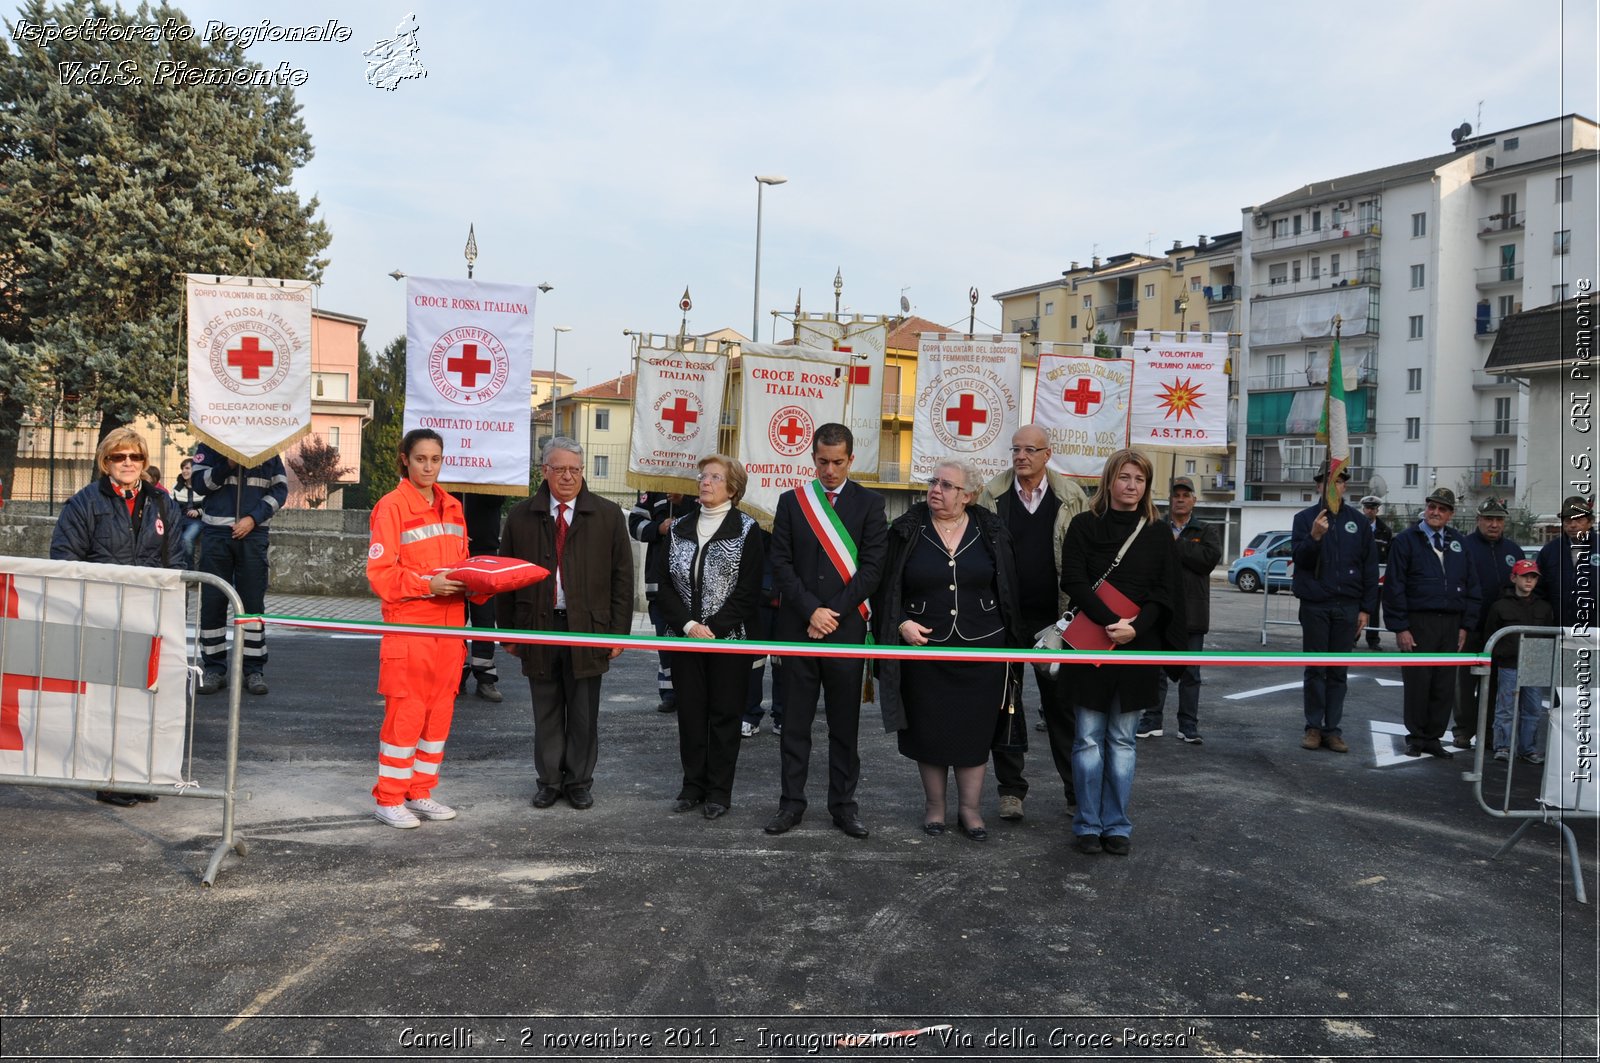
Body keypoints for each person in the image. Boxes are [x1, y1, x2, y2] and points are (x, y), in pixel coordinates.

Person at [877, 460, 1026, 841]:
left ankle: (971, 810)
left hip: (982, 648)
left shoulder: (990, 530)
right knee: (930, 730)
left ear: (968, 495)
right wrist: (899, 624)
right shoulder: (907, 529)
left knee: (975, 731)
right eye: (933, 482)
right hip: (925, 647)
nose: (935, 490)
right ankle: (935, 809)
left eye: (946, 485)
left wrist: (1013, 643)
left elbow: (1008, 588)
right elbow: (885, 587)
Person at [49, 427, 185, 807]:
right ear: (105, 461)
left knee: (144, 698)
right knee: (107, 702)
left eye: (135, 457)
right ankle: (107, 778)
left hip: (150, 616)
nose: (127, 463)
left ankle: (139, 774)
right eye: (118, 457)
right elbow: (64, 558)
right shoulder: (85, 502)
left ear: (144, 462)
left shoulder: (162, 502)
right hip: (102, 616)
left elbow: (176, 559)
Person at [1059, 449, 1186, 856]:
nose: (1132, 486)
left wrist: (1135, 628)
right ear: (1110, 480)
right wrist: (1110, 620)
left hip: (1137, 646)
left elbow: (1165, 593)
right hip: (1092, 644)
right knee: (1088, 739)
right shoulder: (1083, 526)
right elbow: (1074, 581)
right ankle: (1087, 824)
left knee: (1123, 740)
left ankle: (1117, 824)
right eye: (1125, 477)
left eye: (1140, 480)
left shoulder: (1157, 532)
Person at [764, 423, 887, 839]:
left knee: (844, 727)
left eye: (837, 462)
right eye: (822, 461)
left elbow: (872, 570)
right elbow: (779, 564)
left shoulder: (871, 504)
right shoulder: (792, 502)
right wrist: (811, 610)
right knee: (794, 723)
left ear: (851, 459)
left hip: (846, 629)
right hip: (798, 628)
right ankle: (791, 804)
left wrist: (830, 612)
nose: (829, 470)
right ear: (812, 458)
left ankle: (844, 806)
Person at [497, 437, 634, 811]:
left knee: (584, 711)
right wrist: (507, 631)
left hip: (589, 628)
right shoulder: (521, 516)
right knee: (546, 709)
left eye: (575, 469)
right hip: (537, 626)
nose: (569, 477)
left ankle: (579, 782)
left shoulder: (607, 515)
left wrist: (619, 634)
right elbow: (505, 576)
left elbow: (623, 579)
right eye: (560, 469)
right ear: (545, 471)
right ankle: (549, 781)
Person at [974, 423, 1087, 820]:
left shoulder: (1072, 497)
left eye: (1029, 450)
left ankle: (1076, 794)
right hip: (1004, 620)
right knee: (1006, 706)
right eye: (1016, 449)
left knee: (1062, 710)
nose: (1021, 456)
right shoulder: (992, 495)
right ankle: (1011, 791)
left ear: (1047, 454)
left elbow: (1081, 560)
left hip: (1057, 622)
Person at [366, 429, 470, 829]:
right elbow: (381, 576)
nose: (428, 466)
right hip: (410, 630)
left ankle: (420, 790)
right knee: (406, 714)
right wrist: (428, 586)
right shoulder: (391, 507)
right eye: (421, 459)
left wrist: (478, 583)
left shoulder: (453, 507)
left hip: (450, 630)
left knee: (439, 713)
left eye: (436, 459)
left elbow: (460, 564)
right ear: (405, 460)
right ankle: (389, 797)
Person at [657, 456, 764, 819]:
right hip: (686, 639)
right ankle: (692, 786)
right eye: (703, 476)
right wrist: (689, 626)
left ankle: (719, 792)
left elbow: (749, 591)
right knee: (690, 713)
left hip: (729, 640)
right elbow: (664, 585)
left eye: (715, 477)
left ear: (732, 488)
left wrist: (714, 628)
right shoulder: (679, 527)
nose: (705, 482)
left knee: (724, 715)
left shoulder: (747, 529)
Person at [1384, 487, 1481, 759]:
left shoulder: (1459, 544)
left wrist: (1465, 626)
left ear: (1450, 514)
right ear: (1426, 508)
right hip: (1418, 622)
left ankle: (1433, 737)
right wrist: (1400, 627)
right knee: (1418, 682)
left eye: (1442, 508)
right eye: (1432, 507)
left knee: (1443, 684)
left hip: (1451, 624)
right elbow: (1394, 587)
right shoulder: (1406, 541)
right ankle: (1416, 737)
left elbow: (1473, 587)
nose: (1435, 512)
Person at [1290, 461, 1380, 754]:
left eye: (1339, 482)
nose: (1333, 487)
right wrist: (1315, 536)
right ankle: (1314, 727)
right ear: (1318, 486)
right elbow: (1300, 560)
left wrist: (1366, 608)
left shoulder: (1359, 522)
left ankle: (1333, 730)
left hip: (1348, 606)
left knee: (1338, 671)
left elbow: (1369, 568)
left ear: (1345, 486)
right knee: (1315, 670)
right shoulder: (1305, 519)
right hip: (1316, 605)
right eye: (1327, 482)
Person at [190, 445, 288, 696]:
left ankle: (253, 670)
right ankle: (214, 669)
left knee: (252, 605)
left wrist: (253, 518)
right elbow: (200, 485)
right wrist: (228, 463)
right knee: (212, 603)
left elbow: (280, 491)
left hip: (253, 536)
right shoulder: (208, 447)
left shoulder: (268, 450)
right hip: (215, 536)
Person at [1137, 475, 1221, 744]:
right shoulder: (1156, 527)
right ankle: (1152, 720)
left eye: (1186, 495)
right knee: (1156, 670)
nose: (1180, 499)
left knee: (1190, 673)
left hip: (1193, 614)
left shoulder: (1206, 530)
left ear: (1194, 500)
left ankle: (1188, 725)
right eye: (1176, 495)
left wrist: (1175, 542)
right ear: (1169, 500)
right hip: (1161, 612)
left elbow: (1206, 560)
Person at [1456, 497, 1525, 749]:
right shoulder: (1463, 546)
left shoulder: (1514, 551)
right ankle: (1464, 729)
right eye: (1489, 519)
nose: (1494, 524)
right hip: (1472, 626)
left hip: (1503, 630)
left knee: (1497, 683)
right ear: (1478, 520)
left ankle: (1488, 733)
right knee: (1466, 683)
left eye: (1499, 520)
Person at [628, 491, 699, 713]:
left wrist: (683, 503)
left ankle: (693, 693)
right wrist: (658, 528)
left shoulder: (700, 487)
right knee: (666, 644)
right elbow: (635, 524)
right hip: (660, 585)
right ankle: (669, 693)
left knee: (694, 644)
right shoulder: (655, 490)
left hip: (695, 586)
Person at [1484, 560, 1555, 764]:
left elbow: (1549, 636)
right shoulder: (1499, 606)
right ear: (1514, 578)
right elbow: (1491, 635)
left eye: (1533, 577)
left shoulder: (1544, 607)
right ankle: (1503, 747)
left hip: (1535, 666)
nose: (1529, 580)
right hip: (1509, 665)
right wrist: (1501, 655)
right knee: (1505, 708)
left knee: (1532, 710)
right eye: (1525, 576)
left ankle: (1528, 749)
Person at [456, 492, 507, 703]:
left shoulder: (491, 469)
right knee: (453, 616)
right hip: (451, 547)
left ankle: (485, 677)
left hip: (485, 548)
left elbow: (498, 498)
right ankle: (454, 676)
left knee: (485, 617)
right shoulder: (445, 468)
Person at [740, 526, 785, 738]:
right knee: (753, 662)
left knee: (785, 662)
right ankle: (749, 715)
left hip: (790, 601)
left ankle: (783, 716)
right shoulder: (756, 516)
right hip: (759, 600)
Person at [1536, 496, 1596, 629]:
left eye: (1579, 519)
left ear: (1590, 522)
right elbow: (1538, 590)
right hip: (1559, 630)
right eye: (1568, 520)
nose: (1573, 525)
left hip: (1595, 631)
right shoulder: (1549, 551)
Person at [1360, 495, 1393, 650]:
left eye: (1373, 508)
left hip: (1376, 577)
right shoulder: (1356, 526)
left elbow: (1388, 554)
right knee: (1356, 607)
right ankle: (1353, 636)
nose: (1370, 511)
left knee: (1373, 609)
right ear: (1363, 509)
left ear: (1377, 510)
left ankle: (1373, 639)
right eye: (1367, 508)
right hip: (1358, 576)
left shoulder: (1385, 530)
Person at [171, 456, 204, 564]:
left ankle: (189, 568)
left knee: (187, 538)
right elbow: (171, 505)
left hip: (198, 521)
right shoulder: (177, 487)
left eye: (187, 468)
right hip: (180, 519)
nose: (184, 471)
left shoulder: (203, 486)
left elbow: (210, 505)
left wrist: (198, 511)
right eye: (183, 468)